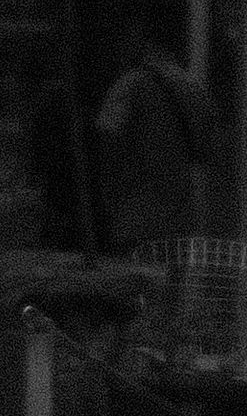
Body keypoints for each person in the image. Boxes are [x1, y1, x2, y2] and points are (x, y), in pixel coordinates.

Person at [91, 40, 219, 256]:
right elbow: (209, 151)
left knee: (135, 283)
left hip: (137, 214)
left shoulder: (130, 85)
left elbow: (106, 135)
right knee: (174, 284)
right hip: (181, 216)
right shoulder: (195, 88)